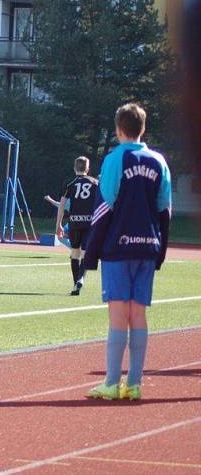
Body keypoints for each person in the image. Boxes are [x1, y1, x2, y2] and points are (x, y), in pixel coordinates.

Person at [84, 103, 171, 401]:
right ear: (143, 129)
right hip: (147, 246)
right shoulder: (159, 160)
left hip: (118, 246)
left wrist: (91, 251)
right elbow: (164, 210)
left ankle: (111, 382)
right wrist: (161, 250)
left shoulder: (114, 159)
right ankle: (134, 384)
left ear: (119, 129)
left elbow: (104, 205)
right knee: (139, 313)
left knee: (118, 313)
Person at [54, 157, 99, 295]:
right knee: (85, 253)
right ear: (87, 169)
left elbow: (62, 205)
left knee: (75, 253)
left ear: (74, 168)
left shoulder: (69, 183)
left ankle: (75, 285)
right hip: (89, 222)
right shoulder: (95, 183)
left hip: (74, 222)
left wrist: (59, 225)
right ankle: (80, 279)